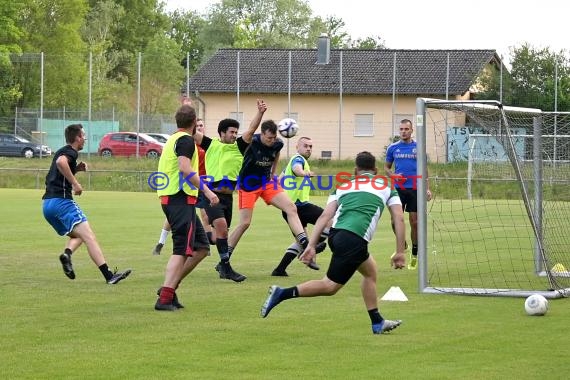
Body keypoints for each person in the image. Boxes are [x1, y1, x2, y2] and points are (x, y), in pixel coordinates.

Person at [260, 151, 407, 335]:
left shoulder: (342, 187)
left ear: (355, 171)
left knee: (370, 272)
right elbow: (399, 218)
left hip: (336, 236)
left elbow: (324, 217)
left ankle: (377, 321)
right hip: (353, 240)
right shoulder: (386, 185)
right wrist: (400, 251)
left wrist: (312, 245)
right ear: (376, 170)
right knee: (330, 286)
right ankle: (281, 293)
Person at [225, 102, 308, 280]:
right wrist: (260, 112)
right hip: (248, 185)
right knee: (245, 224)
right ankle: (224, 260)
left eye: (273, 138)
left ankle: (304, 241)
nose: (271, 141)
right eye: (268, 138)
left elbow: (276, 154)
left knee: (291, 208)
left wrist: (273, 172)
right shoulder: (251, 141)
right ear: (262, 134)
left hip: (267, 183)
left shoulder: (277, 144)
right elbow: (251, 127)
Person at [42, 124, 132, 284]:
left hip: (47, 205)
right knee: (90, 236)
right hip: (62, 202)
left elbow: (58, 171)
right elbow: (61, 163)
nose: (85, 138)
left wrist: (75, 169)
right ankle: (109, 276)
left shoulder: (62, 150)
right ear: (77, 138)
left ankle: (67, 254)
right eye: (83, 135)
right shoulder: (70, 152)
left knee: (79, 235)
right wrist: (75, 183)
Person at [154, 104, 219, 311]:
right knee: (181, 249)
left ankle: (169, 289)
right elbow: (184, 168)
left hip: (176, 199)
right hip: (178, 198)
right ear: (194, 123)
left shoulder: (173, 138)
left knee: (201, 248)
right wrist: (208, 192)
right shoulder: (185, 141)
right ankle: (164, 298)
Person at [192, 102, 265, 282]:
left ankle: (222, 263)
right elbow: (191, 131)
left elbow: (252, 128)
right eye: (231, 132)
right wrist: (189, 110)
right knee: (222, 229)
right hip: (211, 195)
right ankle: (226, 267)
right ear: (222, 133)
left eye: (235, 132)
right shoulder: (210, 144)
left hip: (227, 197)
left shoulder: (239, 146)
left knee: (221, 235)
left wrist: (260, 112)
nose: (234, 135)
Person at [151, 118, 215, 255]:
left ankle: (206, 242)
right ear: (192, 126)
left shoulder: (206, 144)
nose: (199, 128)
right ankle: (162, 242)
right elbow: (184, 167)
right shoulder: (185, 142)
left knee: (203, 217)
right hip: (188, 185)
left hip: (201, 183)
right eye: (196, 125)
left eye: (201, 126)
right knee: (179, 220)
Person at [271, 136, 329, 276]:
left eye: (310, 146)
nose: (308, 149)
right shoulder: (298, 160)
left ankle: (279, 270)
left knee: (300, 241)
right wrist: (305, 173)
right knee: (329, 220)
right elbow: (298, 170)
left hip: (290, 210)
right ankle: (312, 246)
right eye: (305, 146)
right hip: (300, 206)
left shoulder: (291, 162)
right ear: (297, 147)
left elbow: (278, 180)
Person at [384, 119, 432, 270]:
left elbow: (424, 169)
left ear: (412, 131)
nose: (403, 131)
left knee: (414, 222)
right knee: (394, 221)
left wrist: (427, 188)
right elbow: (386, 168)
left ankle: (415, 254)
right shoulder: (393, 148)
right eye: (401, 129)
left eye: (406, 129)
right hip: (398, 189)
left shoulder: (418, 147)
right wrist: (392, 175)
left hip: (415, 188)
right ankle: (402, 244)